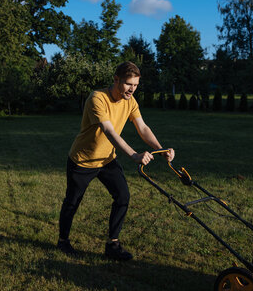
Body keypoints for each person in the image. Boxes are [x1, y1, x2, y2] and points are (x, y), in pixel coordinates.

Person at [58, 61, 175, 261]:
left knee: (123, 196)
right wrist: (134, 155)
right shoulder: (98, 98)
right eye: (129, 84)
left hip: (107, 160)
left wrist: (159, 148)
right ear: (116, 79)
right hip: (82, 161)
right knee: (73, 202)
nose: (132, 89)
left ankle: (112, 244)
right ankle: (63, 241)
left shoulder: (130, 101)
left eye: (136, 85)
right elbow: (109, 131)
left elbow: (142, 127)